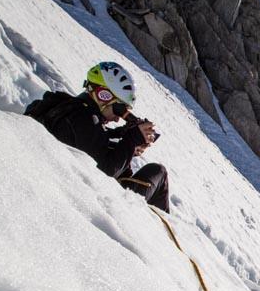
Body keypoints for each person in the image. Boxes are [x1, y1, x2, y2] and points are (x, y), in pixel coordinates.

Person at [24, 61, 170, 213]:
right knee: (158, 171)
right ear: (103, 96)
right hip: (97, 200)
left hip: (64, 181)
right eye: (119, 109)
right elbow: (105, 172)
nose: (117, 118)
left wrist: (125, 139)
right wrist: (131, 140)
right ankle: (161, 234)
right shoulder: (82, 119)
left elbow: (90, 146)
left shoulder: (72, 110)